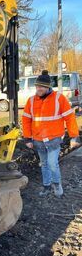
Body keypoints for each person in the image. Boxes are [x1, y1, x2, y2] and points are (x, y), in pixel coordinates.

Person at [22, 70, 80, 198]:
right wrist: (27, 138)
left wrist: (74, 136)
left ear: (48, 87)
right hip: (38, 140)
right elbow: (26, 120)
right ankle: (46, 186)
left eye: (41, 86)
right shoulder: (31, 101)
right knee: (44, 164)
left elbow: (70, 118)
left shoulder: (59, 99)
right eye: (37, 86)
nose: (39, 89)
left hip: (54, 139)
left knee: (52, 163)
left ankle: (57, 185)